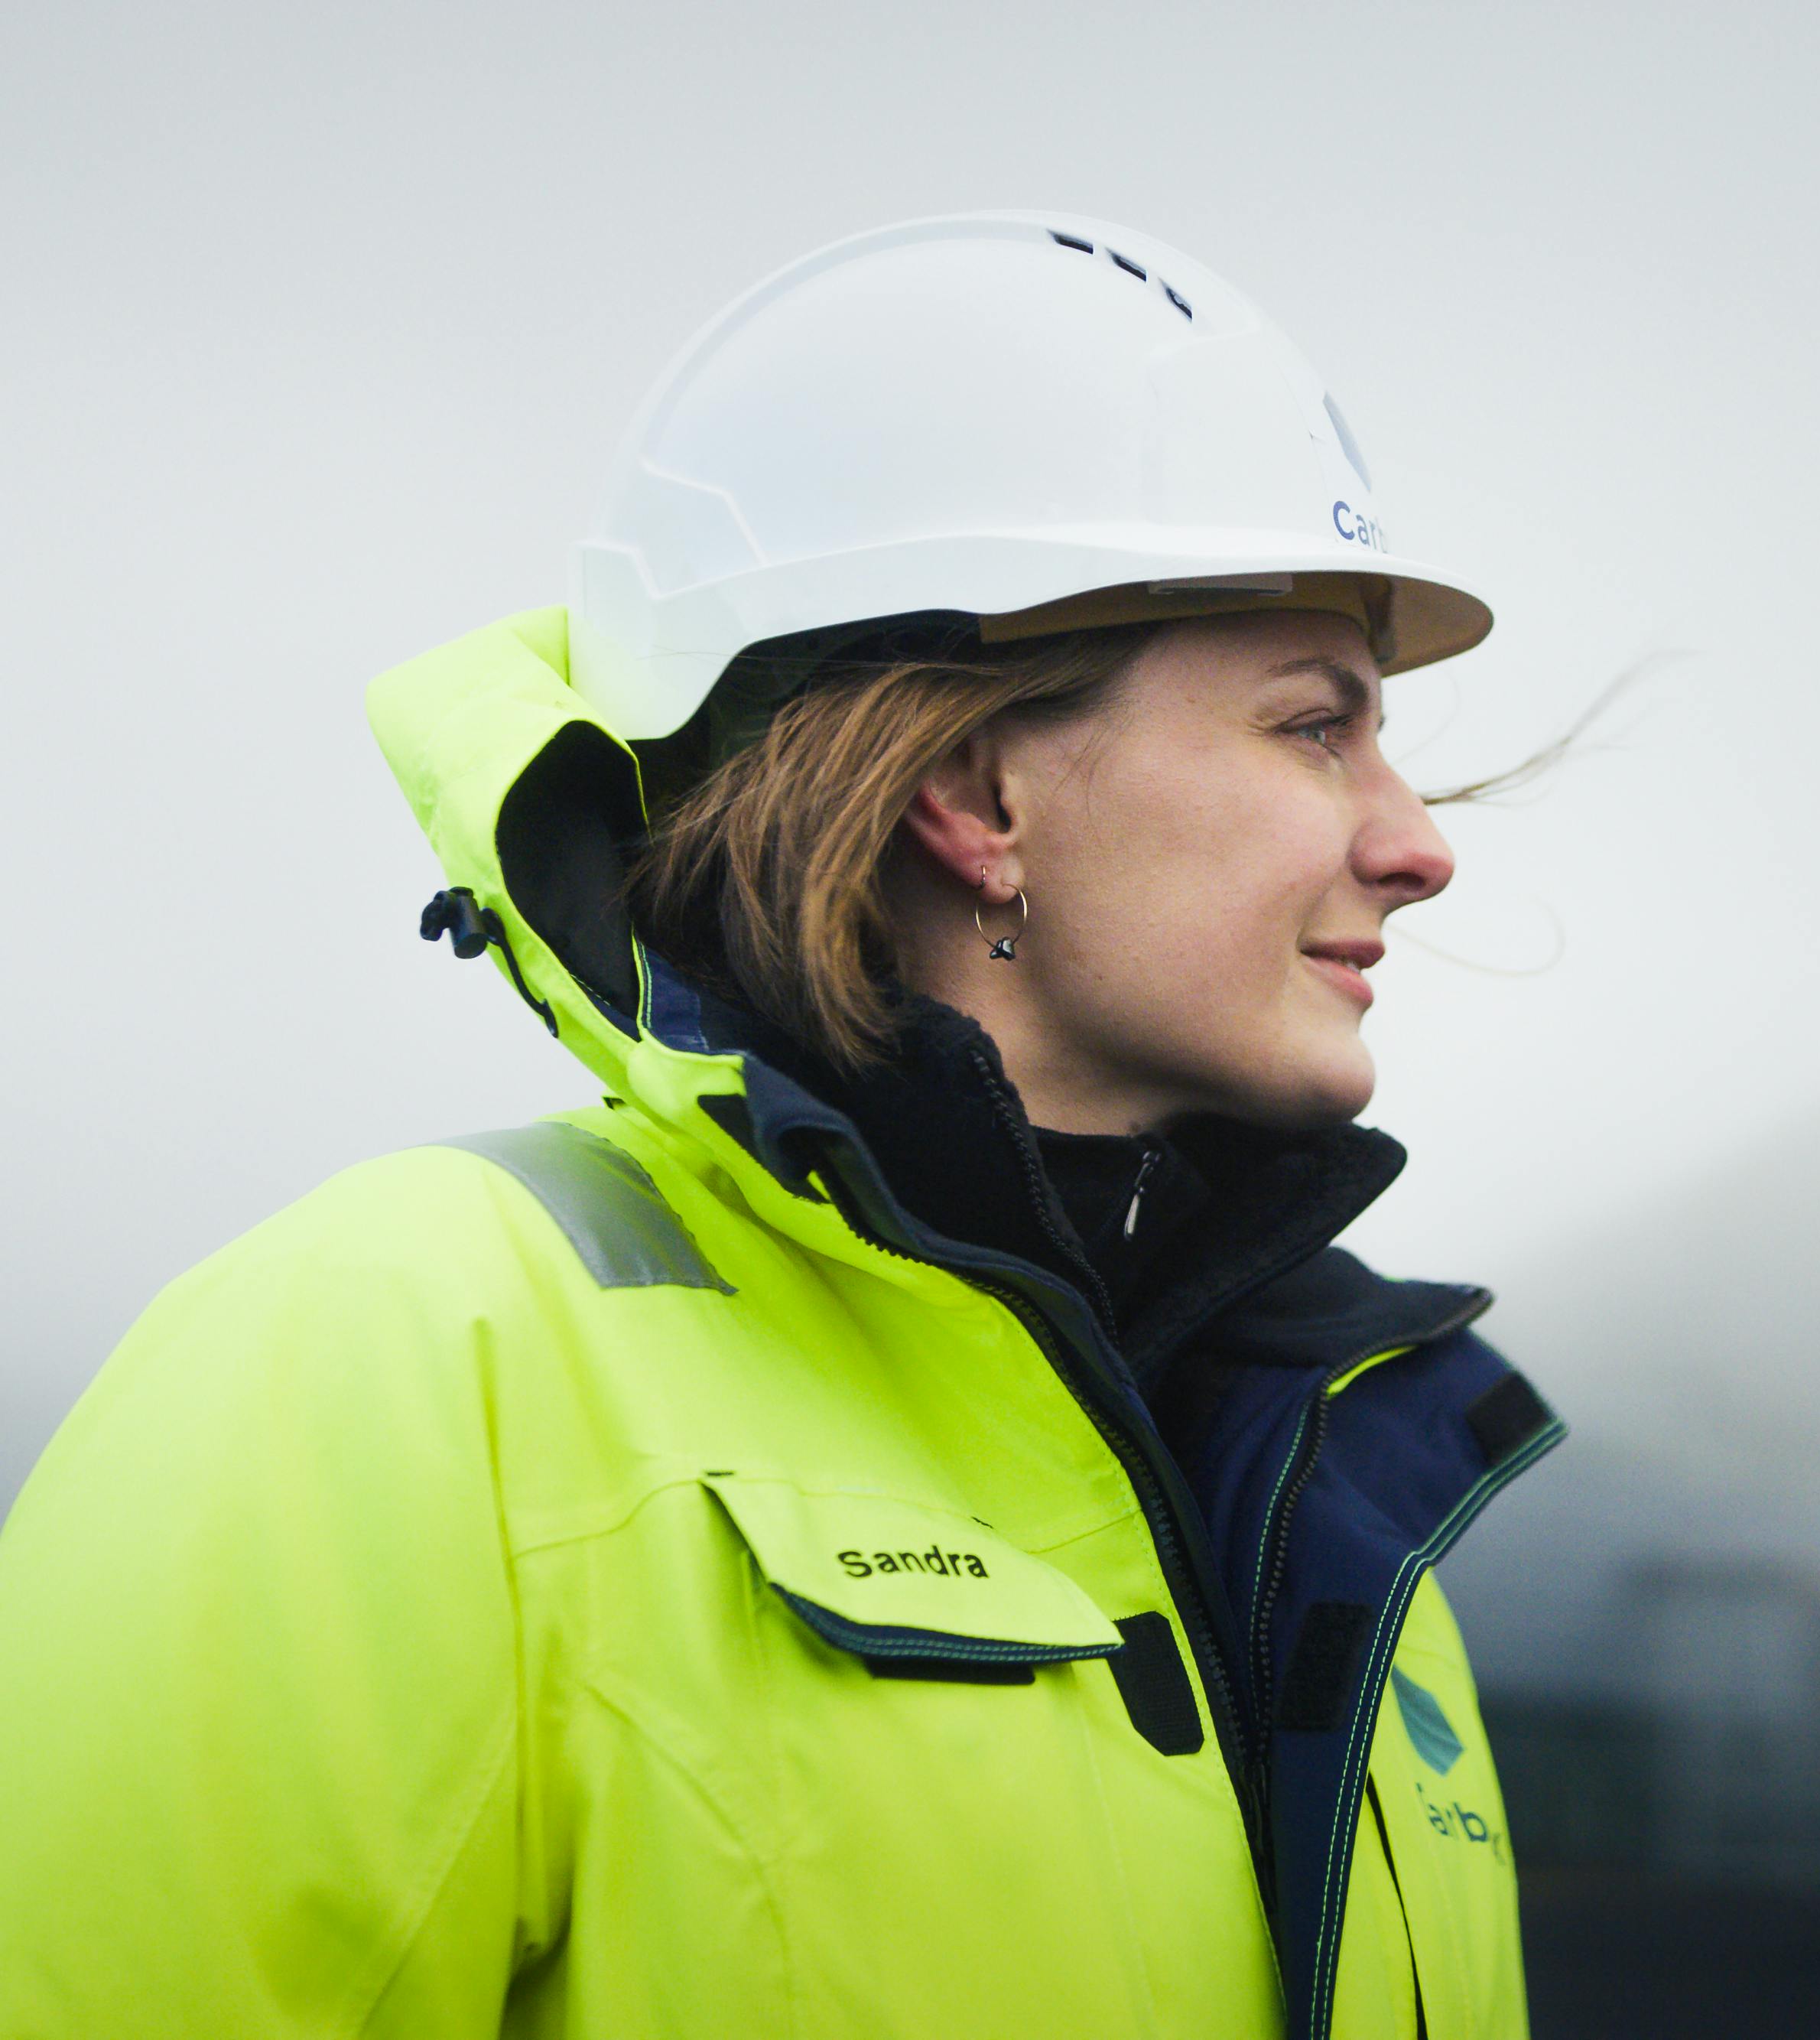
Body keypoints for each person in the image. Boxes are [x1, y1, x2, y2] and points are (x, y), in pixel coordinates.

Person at [0, 213, 1565, 2039]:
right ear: (974, 791)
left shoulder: (1328, 1481)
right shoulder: (404, 1357)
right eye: (1312, 728)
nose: (1415, 842)